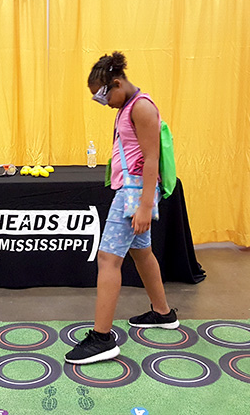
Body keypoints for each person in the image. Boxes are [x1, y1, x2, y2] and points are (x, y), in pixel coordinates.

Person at [64, 51, 178, 365]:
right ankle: (163, 313)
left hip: (133, 195)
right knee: (142, 253)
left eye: (103, 96)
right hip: (133, 192)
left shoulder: (141, 107)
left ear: (116, 83)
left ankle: (101, 339)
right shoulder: (129, 105)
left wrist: (143, 205)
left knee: (107, 259)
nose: (104, 103)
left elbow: (152, 159)